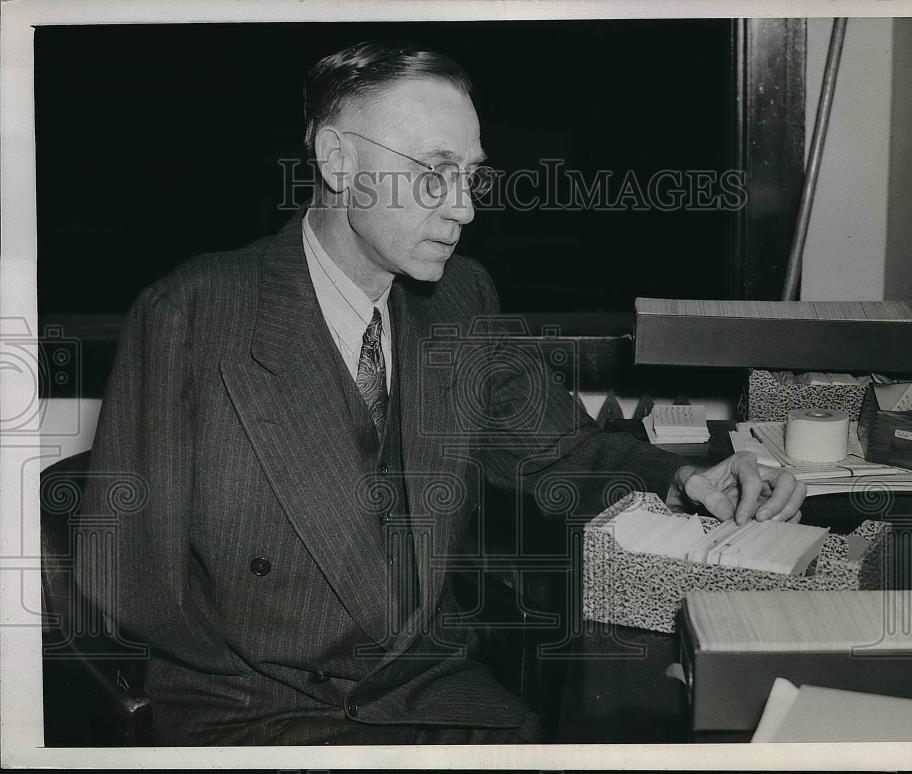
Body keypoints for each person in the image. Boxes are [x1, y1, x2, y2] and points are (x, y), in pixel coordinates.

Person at [77, 40, 806, 746]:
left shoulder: (458, 296)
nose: (464, 208)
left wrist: (690, 476)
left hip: (423, 684)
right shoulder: (193, 312)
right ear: (336, 160)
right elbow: (128, 572)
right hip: (251, 709)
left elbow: (560, 450)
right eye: (434, 172)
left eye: (470, 175)